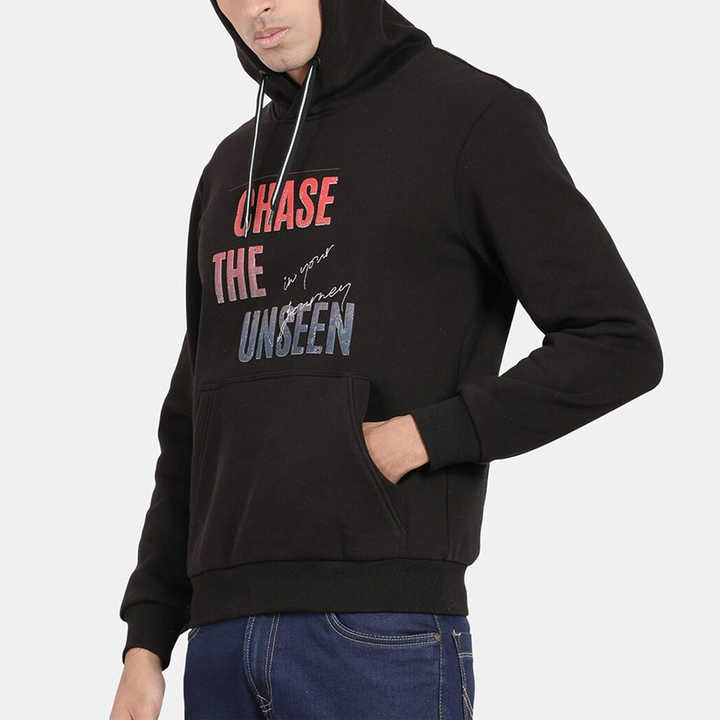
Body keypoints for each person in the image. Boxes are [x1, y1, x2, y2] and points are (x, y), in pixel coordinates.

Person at [110, 1, 664, 718]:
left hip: (377, 631)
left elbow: (617, 342)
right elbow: (193, 416)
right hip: (219, 642)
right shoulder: (229, 170)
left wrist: (425, 436)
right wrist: (147, 640)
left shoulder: (470, 119)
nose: (256, 7)